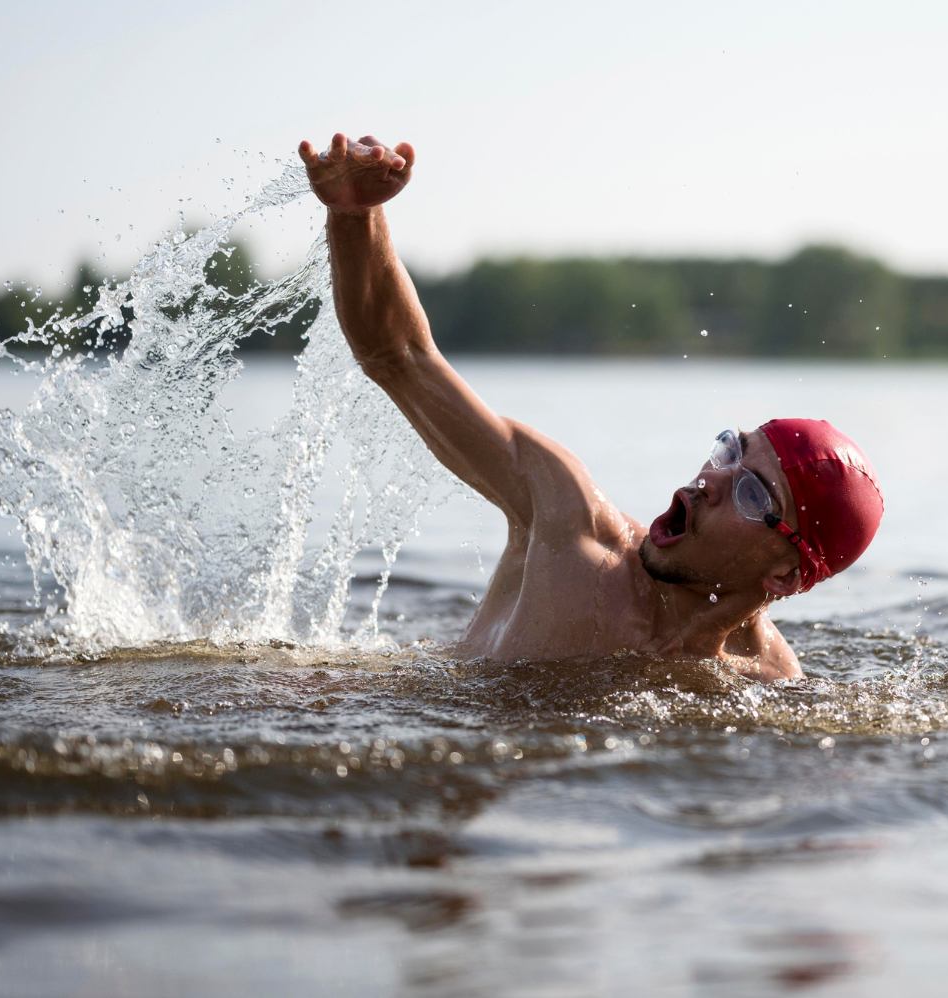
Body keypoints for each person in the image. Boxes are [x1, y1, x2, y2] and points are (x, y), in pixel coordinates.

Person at [297, 133, 883, 681]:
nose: (711, 481)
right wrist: (356, 217)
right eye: (731, 451)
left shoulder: (771, 680)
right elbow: (400, 357)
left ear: (784, 574)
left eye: (752, 494)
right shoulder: (568, 522)